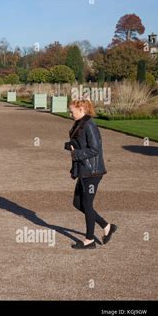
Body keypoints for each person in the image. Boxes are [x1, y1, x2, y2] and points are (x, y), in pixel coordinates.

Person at [65, 99, 117, 249]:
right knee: (77, 203)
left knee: (87, 204)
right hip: (83, 170)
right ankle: (107, 226)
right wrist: (72, 148)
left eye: (72, 111)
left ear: (81, 109)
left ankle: (90, 240)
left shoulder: (89, 125)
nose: (70, 113)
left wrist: (76, 154)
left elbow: (95, 149)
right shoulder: (80, 123)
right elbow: (82, 144)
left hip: (92, 172)